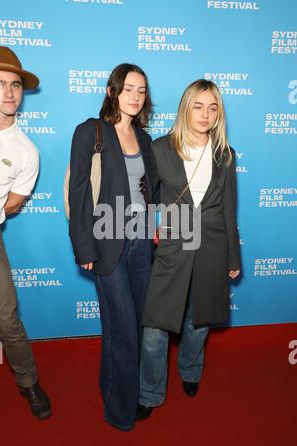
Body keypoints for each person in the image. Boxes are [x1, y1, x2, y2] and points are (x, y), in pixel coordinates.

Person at [136, 79, 241, 420]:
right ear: (185, 108)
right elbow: (142, 199)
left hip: (212, 246)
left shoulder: (225, 154)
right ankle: (149, 392)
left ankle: (191, 372)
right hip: (172, 246)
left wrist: (232, 256)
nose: (206, 114)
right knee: (155, 327)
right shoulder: (160, 148)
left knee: (199, 320)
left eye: (213, 107)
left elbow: (228, 208)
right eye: (198, 106)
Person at [69, 63, 155, 431]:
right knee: (122, 329)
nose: (135, 97)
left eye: (141, 90)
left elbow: (152, 193)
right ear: (112, 91)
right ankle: (120, 411)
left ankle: (115, 387)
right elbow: (78, 193)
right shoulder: (91, 132)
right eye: (128, 89)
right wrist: (84, 248)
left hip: (141, 245)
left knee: (133, 325)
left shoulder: (146, 139)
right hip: (106, 245)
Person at [0, 46, 51, 420]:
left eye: (15, 84)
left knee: (6, 319)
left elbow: (13, 203)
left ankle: (29, 383)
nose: (9, 92)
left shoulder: (26, 151)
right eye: (0, 83)